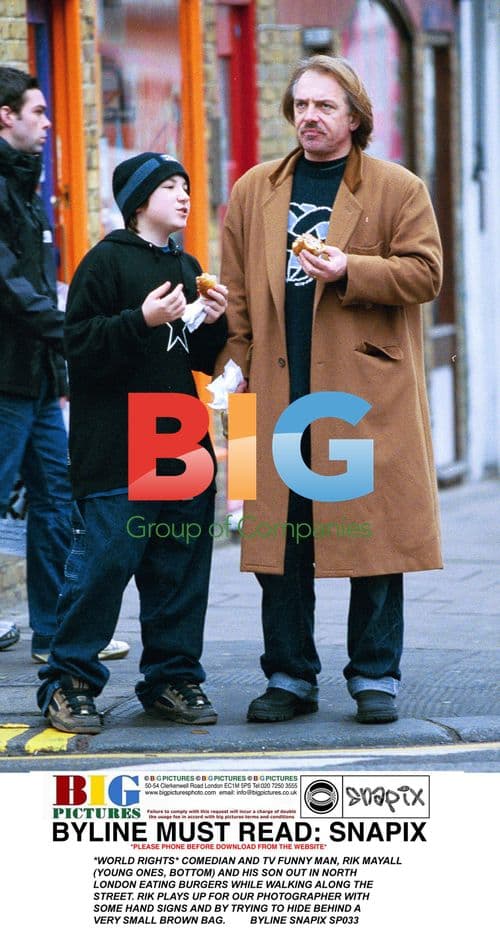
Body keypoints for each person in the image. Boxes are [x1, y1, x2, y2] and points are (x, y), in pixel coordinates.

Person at [216, 55, 443, 725]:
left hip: (362, 392)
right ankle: (289, 675)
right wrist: (236, 365)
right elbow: (236, 294)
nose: (309, 117)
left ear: (354, 116)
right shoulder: (254, 189)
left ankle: (375, 675)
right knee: (277, 540)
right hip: (273, 391)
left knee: (373, 535)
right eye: (301, 105)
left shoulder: (398, 187)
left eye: (324, 106)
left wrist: (351, 268)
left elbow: (426, 273)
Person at [37, 151, 228, 733]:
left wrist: (212, 322)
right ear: (139, 201)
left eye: (186, 185)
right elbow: (78, 347)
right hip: (119, 445)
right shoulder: (105, 262)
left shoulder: (189, 265)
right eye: (169, 186)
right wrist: (139, 319)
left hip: (179, 440)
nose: (184, 195)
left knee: (180, 569)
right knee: (104, 564)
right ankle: (69, 682)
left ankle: (172, 678)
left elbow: (192, 357)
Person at [0, 67, 129, 664]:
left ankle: (53, 633)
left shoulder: (26, 187)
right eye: (38, 111)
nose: (49, 123)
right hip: (5, 379)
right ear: (6, 116)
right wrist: (73, 335)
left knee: (56, 501)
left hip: (38, 379)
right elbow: (9, 287)